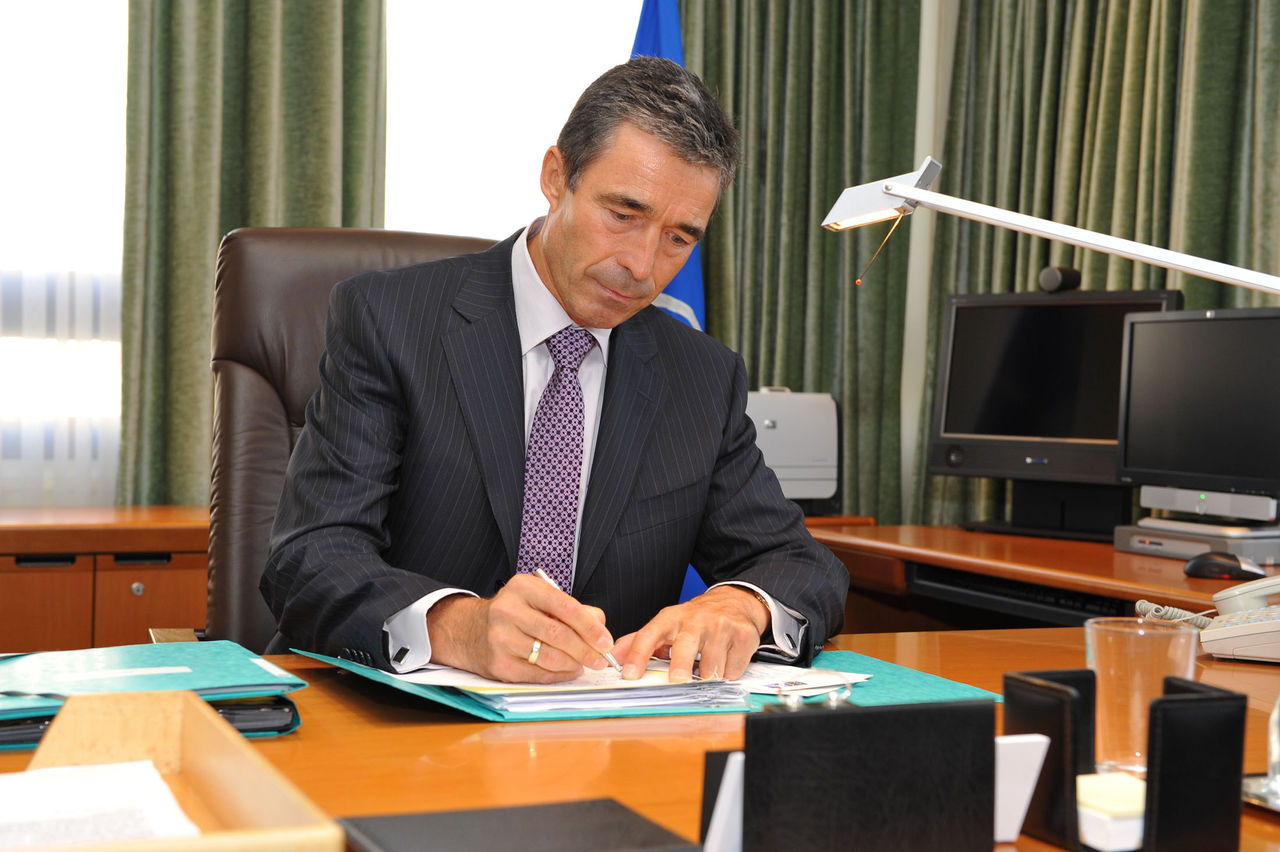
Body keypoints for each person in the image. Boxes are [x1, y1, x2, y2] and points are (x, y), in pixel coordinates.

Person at [260, 56, 848, 685]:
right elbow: (310, 556)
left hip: (603, 737)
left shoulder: (700, 377)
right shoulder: (390, 321)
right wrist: (461, 628)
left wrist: (743, 605)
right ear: (555, 175)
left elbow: (799, 564)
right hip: (400, 725)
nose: (643, 266)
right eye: (623, 214)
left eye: (680, 237)